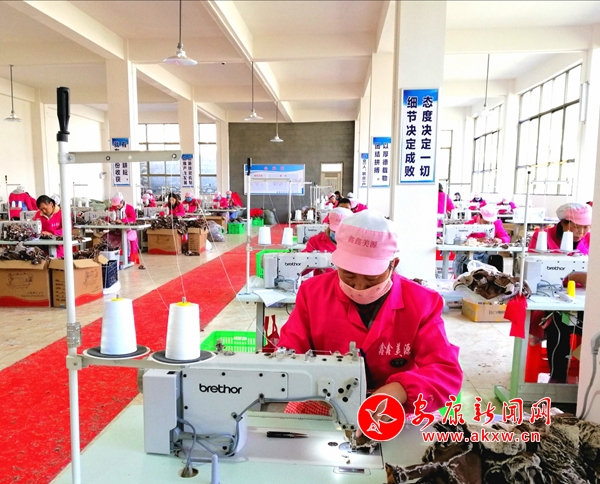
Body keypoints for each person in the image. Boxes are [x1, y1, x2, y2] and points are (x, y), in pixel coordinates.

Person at [278, 210, 462, 415]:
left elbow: (445, 371)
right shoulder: (313, 293)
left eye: (371, 277)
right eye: (349, 275)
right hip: (325, 401)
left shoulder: (422, 302)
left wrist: (400, 391)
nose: (359, 286)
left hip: (394, 407)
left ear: (393, 265)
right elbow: (289, 351)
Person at [452, 206, 510, 275]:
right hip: (470, 254)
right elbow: (462, 238)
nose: (488, 224)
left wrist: (500, 240)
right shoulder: (470, 223)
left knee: (497, 259)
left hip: (486, 254)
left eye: (490, 222)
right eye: (486, 222)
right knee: (467, 263)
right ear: (480, 216)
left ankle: (495, 279)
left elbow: (506, 237)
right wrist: (477, 240)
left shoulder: (496, 223)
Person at [108, 192, 139, 263]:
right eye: (115, 206)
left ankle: (128, 257)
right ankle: (113, 256)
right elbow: (108, 216)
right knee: (107, 237)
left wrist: (122, 220)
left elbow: (133, 219)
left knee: (128, 238)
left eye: (118, 205)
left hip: (128, 230)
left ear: (122, 202)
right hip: (116, 230)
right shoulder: (112, 208)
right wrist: (109, 219)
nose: (116, 207)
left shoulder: (129, 208)